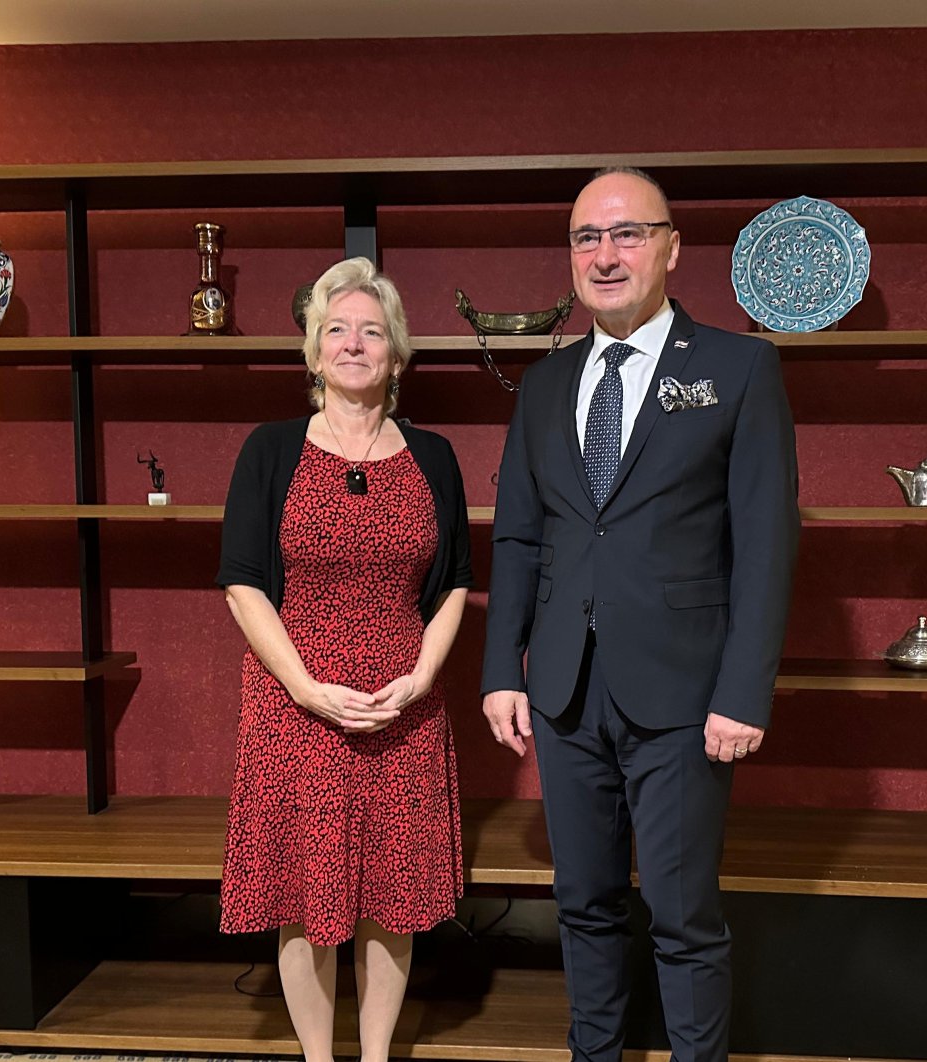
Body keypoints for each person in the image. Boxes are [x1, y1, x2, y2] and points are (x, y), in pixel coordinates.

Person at [480, 168, 801, 1062]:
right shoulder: (545, 385)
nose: (605, 255)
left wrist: (745, 691)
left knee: (682, 912)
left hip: (687, 697)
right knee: (583, 905)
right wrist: (503, 668)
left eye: (626, 234)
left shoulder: (739, 367)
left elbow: (767, 543)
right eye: (587, 238)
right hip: (565, 691)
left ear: (670, 248)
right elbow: (517, 539)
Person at [217, 256, 473, 1062]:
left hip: (402, 702)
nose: (353, 344)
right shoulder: (270, 449)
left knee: (392, 897)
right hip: (297, 705)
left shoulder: (434, 456)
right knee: (305, 891)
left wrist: (424, 675)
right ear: (312, 351)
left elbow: (456, 585)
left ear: (397, 355)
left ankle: (373, 1058)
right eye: (337, 330)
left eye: (372, 331)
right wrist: (308, 689)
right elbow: (243, 586)